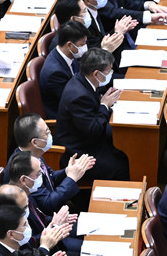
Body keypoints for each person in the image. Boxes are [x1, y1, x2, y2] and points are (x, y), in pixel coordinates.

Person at [54, 47, 130, 181]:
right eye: (108, 71)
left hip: (87, 138)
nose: (111, 73)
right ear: (96, 73)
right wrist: (104, 105)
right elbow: (93, 130)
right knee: (121, 165)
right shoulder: (79, 96)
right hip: (79, 151)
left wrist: (103, 101)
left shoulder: (83, 80)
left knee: (126, 151)